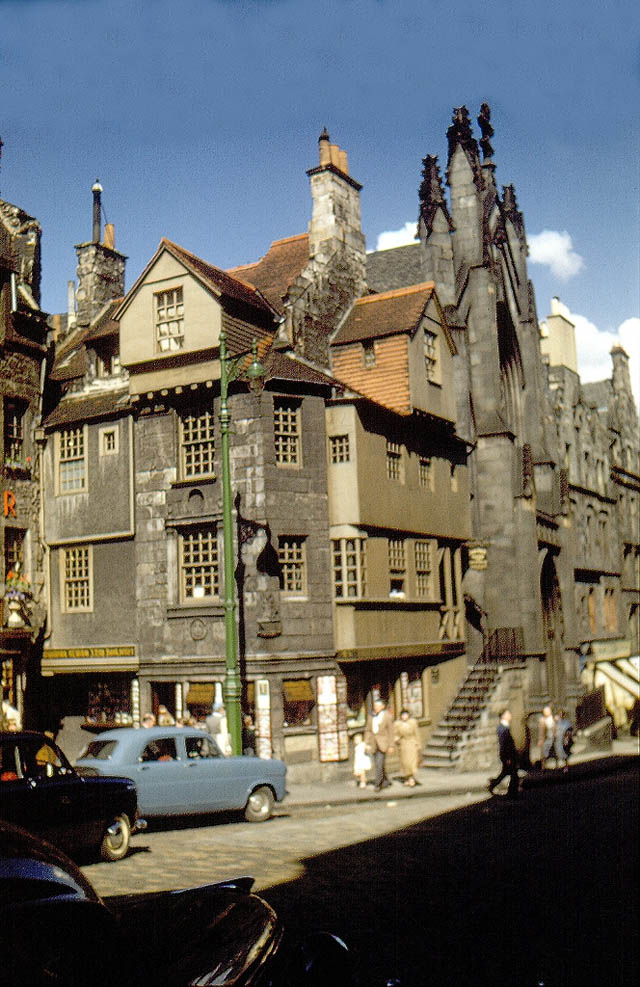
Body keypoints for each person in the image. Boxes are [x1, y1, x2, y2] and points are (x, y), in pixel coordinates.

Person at [364, 697, 395, 792]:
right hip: (373, 743)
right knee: (379, 764)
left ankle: (377, 784)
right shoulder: (371, 716)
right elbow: (368, 730)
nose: (375, 707)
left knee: (379, 763)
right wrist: (366, 742)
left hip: (383, 743)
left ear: (382, 707)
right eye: (374, 706)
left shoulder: (387, 716)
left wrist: (391, 745)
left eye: (377, 706)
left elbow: (391, 731)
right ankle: (385, 780)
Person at [488, 708, 520, 798]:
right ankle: (512, 793)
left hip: (509, 754)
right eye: (508, 714)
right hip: (507, 755)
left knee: (506, 773)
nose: (510, 715)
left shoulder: (505, 727)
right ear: (503, 716)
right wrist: (507, 757)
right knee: (513, 774)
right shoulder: (502, 728)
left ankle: (493, 785)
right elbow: (503, 744)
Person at [394, 709, 421, 786]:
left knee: (411, 762)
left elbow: (417, 734)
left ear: (408, 715)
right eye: (403, 715)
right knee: (405, 762)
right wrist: (397, 739)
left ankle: (411, 778)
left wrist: (418, 745)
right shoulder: (397, 724)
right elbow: (395, 734)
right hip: (403, 744)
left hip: (411, 743)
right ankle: (407, 777)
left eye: (406, 715)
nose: (404, 717)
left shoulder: (413, 723)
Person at [538, 704, 555, 769]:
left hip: (553, 737)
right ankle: (543, 766)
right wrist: (540, 739)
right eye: (545, 711)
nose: (546, 712)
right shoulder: (542, 720)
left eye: (548, 711)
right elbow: (541, 731)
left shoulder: (553, 719)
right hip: (546, 738)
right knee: (544, 752)